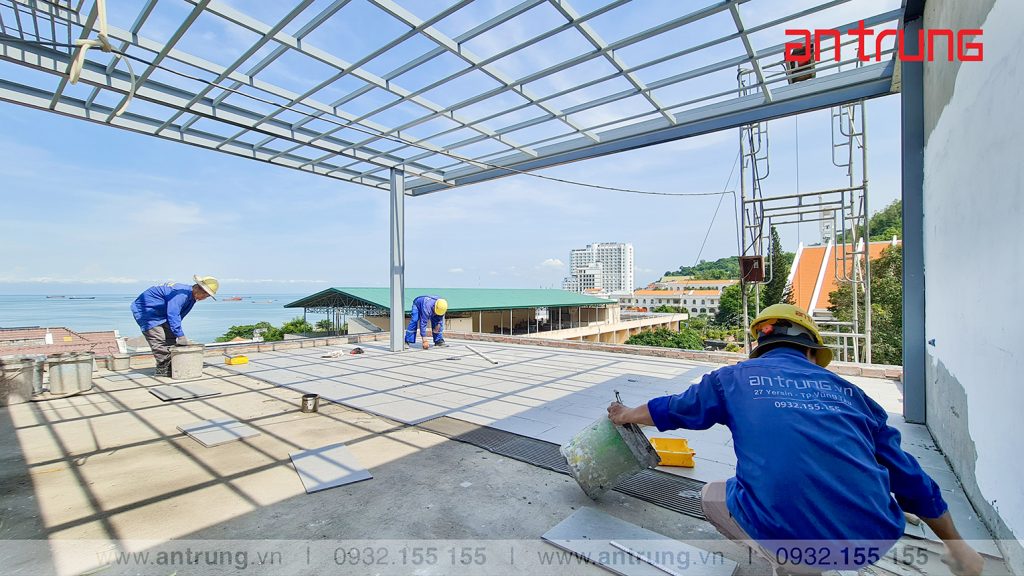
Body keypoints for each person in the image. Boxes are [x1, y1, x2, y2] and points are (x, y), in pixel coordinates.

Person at [608, 304, 983, 575]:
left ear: (760, 347)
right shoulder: (852, 394)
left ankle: (791, 565)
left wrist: (624, 415)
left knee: (713, 494)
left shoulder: (733, 379)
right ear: (811, 352)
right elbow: (912, 480)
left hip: (791, 538)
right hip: (873, 539)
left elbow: (674, 409)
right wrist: (958, 547)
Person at [131, 276, 218, 377]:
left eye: (207, 296)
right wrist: (180, 335)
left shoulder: (191, 297)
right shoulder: (181, 294)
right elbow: (173, 314)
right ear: (198, 288)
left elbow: (179, 316)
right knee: (159, 338)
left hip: (162, 312)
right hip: (146, 311)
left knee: (171, 337)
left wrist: (176, 332)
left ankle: (172, 364)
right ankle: (162, 367)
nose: (204, 298)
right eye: (205, 295)